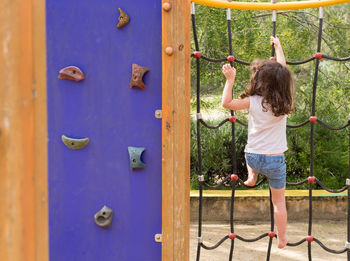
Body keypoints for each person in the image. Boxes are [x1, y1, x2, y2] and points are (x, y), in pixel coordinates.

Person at [221, 36, 294, 249]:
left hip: (252, 157)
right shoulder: (284, 101)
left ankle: (251, 175)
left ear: (259, 82)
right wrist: (279, 46)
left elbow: (227, 103)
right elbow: (283, 69)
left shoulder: (253, 101)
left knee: (249, 148)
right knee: (278, 202)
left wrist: (230, 80)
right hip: (275, 161)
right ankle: (281, 238)